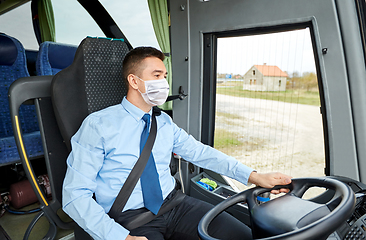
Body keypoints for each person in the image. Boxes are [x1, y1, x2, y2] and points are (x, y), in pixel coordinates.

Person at [62, 46, 292, 240]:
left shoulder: (163, 122)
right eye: (156, 75)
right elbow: (75, 196)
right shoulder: (98, 125)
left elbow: (201, 153)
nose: (164, 82)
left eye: (164, 76)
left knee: (243, 236)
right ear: (134, 80)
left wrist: (253, 176)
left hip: (175, 205)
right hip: (129, 219)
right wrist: (118, 236)